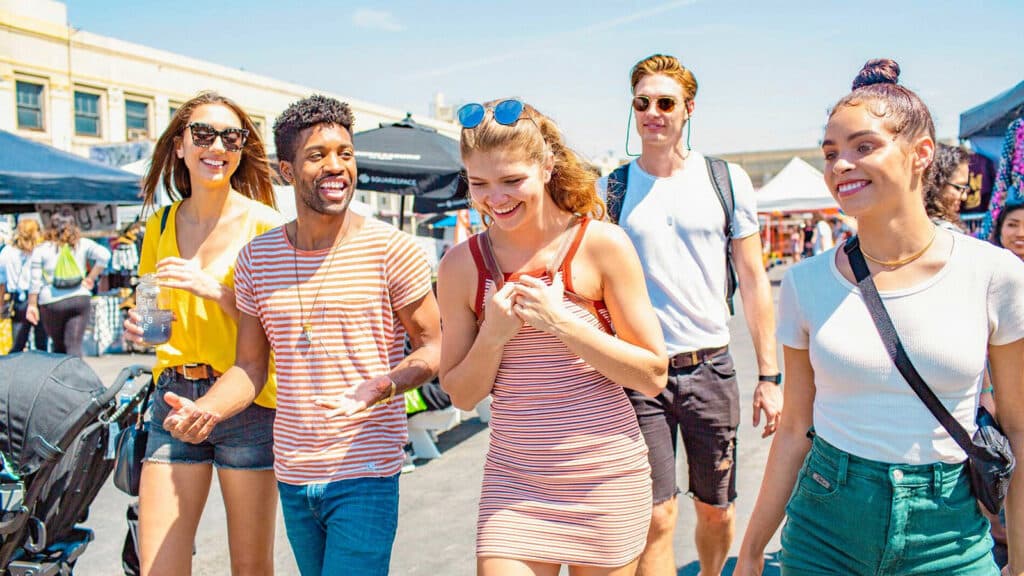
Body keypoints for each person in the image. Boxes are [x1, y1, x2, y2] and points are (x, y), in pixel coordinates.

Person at [736, 58, 1024, 576]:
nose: (840, 165)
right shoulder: (806, 282)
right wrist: (754, 550)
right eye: (830, 153)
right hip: (825, 525)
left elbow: (1018, 426)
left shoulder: (994, 273)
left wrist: (1021, 560)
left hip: (950, 533)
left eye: (863, 146)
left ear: (921, 154)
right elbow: (797, 426)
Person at [153, 94, 441, 576]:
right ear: (287, 171)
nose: (336, 167)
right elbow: (249, 368)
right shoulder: (257, 259)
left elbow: (436, 345)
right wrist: (207, 410)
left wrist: (387, 384)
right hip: (293, 471)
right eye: (317, 156)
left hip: (365, 470)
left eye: (345, 154)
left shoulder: (393, 250)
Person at [439, 98, 667, 575]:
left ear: (546, 168)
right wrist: (494, 336)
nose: (494, 199)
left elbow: (652, 374)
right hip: (514, 484)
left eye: (510, 181)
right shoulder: (462, 266)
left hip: (605, 481)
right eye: (478, 184)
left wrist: (560, 322)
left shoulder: (601, 244)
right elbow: (461, 392)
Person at [598, 54, 782, 576]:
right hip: (639, 371)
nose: (652, 113)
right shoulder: (611, 190)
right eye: (642, 103)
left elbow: (752, 281)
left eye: (665, 102)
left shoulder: (725, 180)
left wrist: (770, 376)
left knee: (716, 511)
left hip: (711, 367)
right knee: (655, 515)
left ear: (689, 108)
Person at [122, 91, 283, 576]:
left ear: (241, 148)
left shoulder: (267, 225)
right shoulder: (161, 222)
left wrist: (216, 291)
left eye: (231, 136)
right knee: (158, 567)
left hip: (247, 401)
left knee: (251, 567)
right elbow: (155, 323)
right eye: (203, 134)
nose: (218, 146)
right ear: (179, 146)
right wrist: (141, 328)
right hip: (173, 397)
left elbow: (284, 326)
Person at [26, 210, 110, 357]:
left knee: (58, 347)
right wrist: (91, 277)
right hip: (79, 298)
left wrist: (32, 305)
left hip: (52, 302)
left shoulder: (42, 249)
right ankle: (78, 378)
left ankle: (59, 378)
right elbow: (104, 255)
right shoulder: (82, 244)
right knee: (74, 346)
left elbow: (35, 281)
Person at [0, 218, 48, 352]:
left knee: (18, 344)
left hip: (18, 300)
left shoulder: (6, 252)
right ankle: (42, 370)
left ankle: (15, 371)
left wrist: (1, 304)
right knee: (42, 342)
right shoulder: (41, 251)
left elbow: (2, 282)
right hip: (39, 298)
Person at [924, 143, 971, 232]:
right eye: (958, 188)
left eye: (965, 189)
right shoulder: (944, 232)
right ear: (936, 183)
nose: (964, 197)